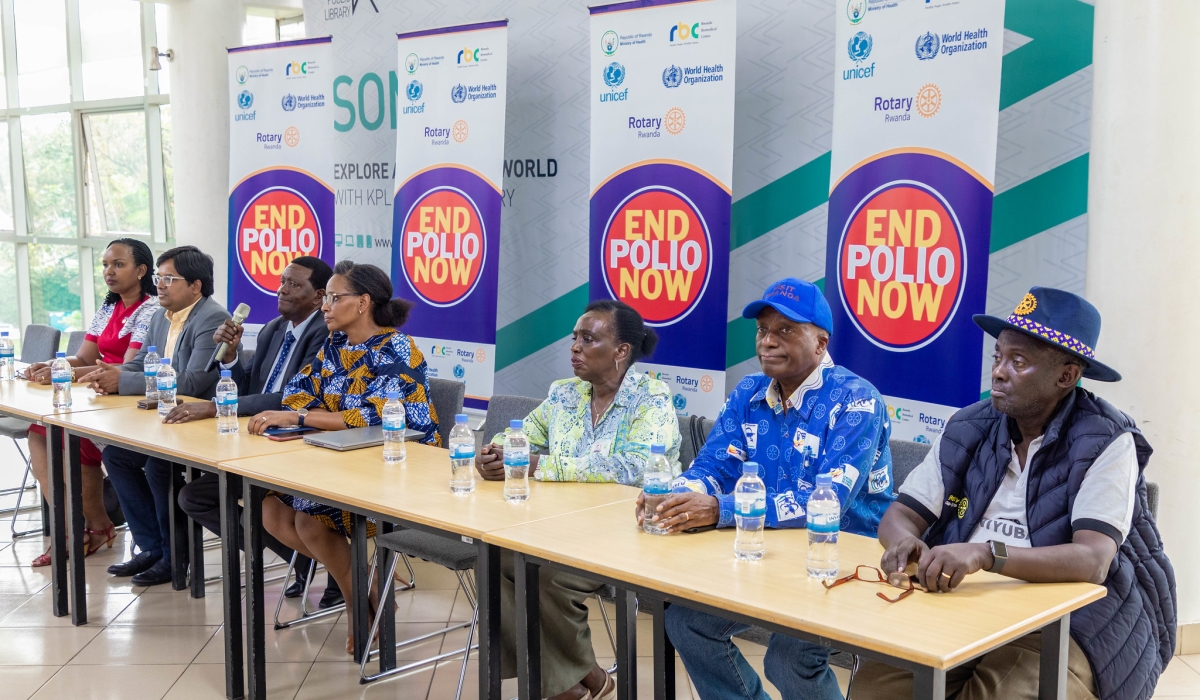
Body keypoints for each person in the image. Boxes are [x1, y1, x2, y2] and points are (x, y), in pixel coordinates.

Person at [852, 287, 1176, 700]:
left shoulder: (1107, 440)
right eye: (998, 357)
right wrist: (905, 544)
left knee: (1003, 693)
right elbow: (902, 514)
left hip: (1067, 616)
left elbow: (1093, 561)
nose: (999, 372)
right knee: (878, 685)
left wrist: (987, 553)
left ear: (1067, 376)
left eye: (1018, 361)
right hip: (964, 597)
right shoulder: (969, 423)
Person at [646, 278, 894, 700]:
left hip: (845, 562)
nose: (767, 342)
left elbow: (828, 502)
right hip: (768, 553)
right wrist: (676, 497)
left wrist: (720, 509)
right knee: (686, 622)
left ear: (821, 343)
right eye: (762, 331)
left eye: (785, 330)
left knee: (789, 657)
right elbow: (713, 465)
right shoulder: (748, 392)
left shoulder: (857, 401)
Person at [475, 299, 681, 700]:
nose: (574, 348)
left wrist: (537, 465)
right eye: (574, 338)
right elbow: (519, 437)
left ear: (622, 351)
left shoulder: (651, 396)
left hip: (629, 530)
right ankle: (580, 677)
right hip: (562, 524)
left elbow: (633, 467)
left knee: (544, 574)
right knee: (495, 557)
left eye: (588, 339)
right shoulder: (564, 394)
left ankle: (565, 683)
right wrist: (495, 455)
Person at [256, 260, 439, 653]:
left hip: (400, 470)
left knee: (309, 520)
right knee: (271, 511)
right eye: (326, 297)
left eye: (335, 297)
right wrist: (310, 415)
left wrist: (306, 418)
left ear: (363, 303)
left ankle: (359, 606)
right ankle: (370, 587)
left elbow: (374, 415)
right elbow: (297, 392)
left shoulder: (397, 348)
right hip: (344, 461)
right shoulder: (335, 345)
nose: (325, 305)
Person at [168, 256, 340, 605]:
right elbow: (249, 387)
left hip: (299, 444)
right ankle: (304, 557)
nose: (282, 289)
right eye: (282, 281)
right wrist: (231, 357)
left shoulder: (326, 333)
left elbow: (292, 399)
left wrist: (217, 407)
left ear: (320, 295)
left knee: (250, 499)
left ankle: (334, 569)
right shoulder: (273, 329)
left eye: (294, 284)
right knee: (193, 496)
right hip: (258, 438)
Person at [79, 245, 231, 586]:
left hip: (201, 421)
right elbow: (139, 364)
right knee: (117, 456)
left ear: (195, 286)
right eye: (159, 278)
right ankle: (151, 548)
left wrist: (126, 380)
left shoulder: (211, 319)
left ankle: (175, 556)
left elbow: (195, 381)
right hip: (167, 419)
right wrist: (112, 374)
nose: (159, 285)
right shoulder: (163, 315)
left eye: (169, 279)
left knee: (159, 465)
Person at [21, 238, 160, 567]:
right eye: (105, 266)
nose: (109, 272)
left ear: (141, 271)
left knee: (70, 435)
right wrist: (54, 366)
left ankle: (89, 528)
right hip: (96, 395)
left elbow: (127, 366)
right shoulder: (108, 307)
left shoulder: (150, 308)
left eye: (118, 264)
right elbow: (84, 356)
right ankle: (77, 529)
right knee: (40, 432)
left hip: (125, 399)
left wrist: (68, 375)